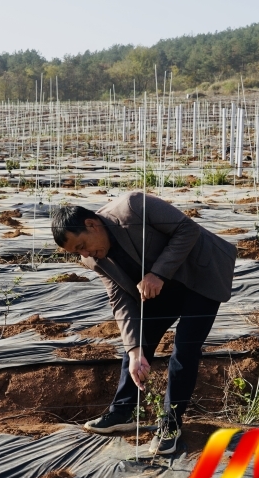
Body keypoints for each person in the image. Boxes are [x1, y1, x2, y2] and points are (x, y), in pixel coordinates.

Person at [51, 192, 236, 455]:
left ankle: (170, 424)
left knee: (184, 349)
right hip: (160, 287)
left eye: (82, 245)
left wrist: (157, 273)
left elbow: (187, 229)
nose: (85, 254)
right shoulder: (92, 259)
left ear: (92, 224)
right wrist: (134, 350)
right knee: (139, 339)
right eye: (77, 253)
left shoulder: (132, 207)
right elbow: (119, 299)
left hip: (199, 273)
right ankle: (122, 412)